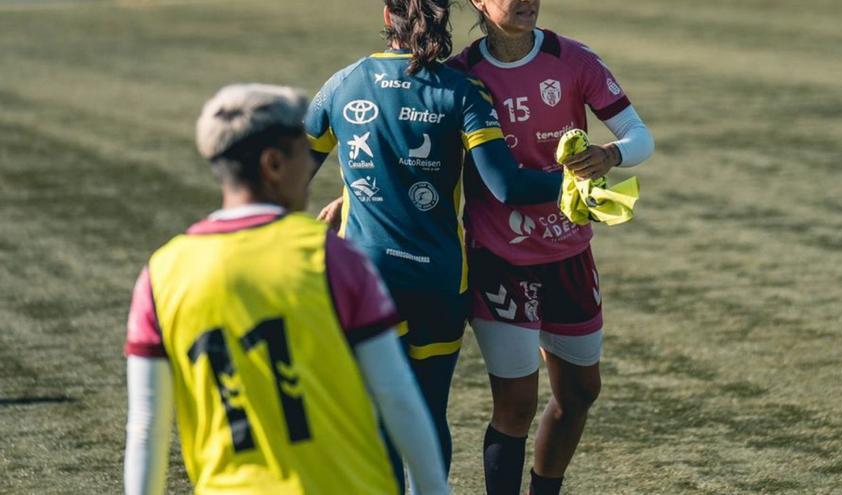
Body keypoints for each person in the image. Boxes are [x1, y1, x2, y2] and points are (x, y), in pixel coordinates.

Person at [123, 84, 449, 495]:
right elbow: (397, 395)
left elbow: (147, 427)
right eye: (303, 154)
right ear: (273, 164)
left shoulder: (161, 273)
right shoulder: (331, 258)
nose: (310, 169)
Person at [305, 0, 569, 489]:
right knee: (427, 414)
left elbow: (291, 173)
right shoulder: (463, 90)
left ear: (387, 18)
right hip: (438, 282)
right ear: (444, 19)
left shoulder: (344, 83)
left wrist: (349, 194)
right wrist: (574, 186)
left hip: (362, 282)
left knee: (371, 415)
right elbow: (506, 186)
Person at [447, 1, 656, 494]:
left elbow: (639, 136)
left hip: (569, 253)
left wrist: (610, 154)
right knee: (516, 404)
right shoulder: (462, 74)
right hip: (501, 259)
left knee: (581, 391)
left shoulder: (574, 59)